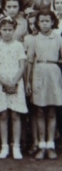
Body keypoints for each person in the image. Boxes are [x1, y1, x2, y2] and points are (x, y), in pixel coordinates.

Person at [26, 9, 62, 160]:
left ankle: (50, 145)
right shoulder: (34, 39)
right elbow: (29, 61)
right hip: (38, 73)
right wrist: (28, 81)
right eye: (42, 21)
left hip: (53, 74)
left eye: (48, 20)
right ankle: (41, 146)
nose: (45, 24)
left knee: (52, 111)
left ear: (52, 22)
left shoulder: (58, 38)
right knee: (40, 111)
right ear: (37, 23)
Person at [0, 16, 27, 160]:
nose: (7, 33)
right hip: (1, 82)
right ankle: (4, 146)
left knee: (15, 114)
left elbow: (22, 65)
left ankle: (16, 147)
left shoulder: (18, 45)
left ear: (14, 30)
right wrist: (4, 82)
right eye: (4, 30)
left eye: (10, 30)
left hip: (15, 81)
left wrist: (14, 81)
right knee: (3, 115)